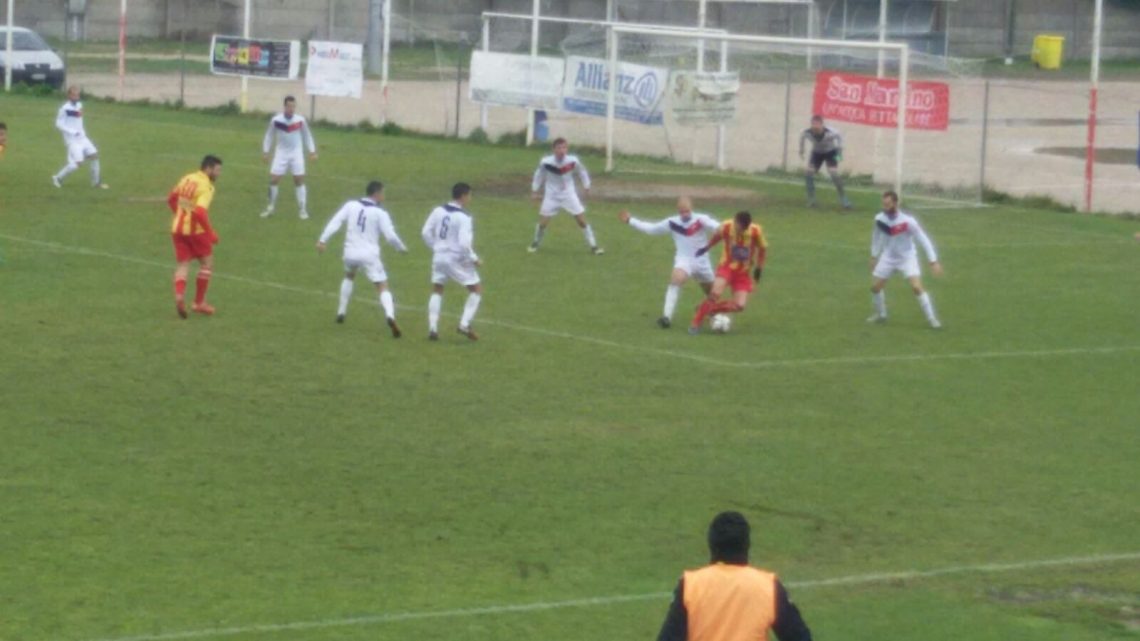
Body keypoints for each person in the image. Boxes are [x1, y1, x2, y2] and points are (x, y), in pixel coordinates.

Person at [656, 511, 813, 641]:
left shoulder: (691, 585)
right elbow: (800, 637)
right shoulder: (767, 586)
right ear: (747, 545)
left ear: (711, 544)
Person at [317, 180, 408, 337]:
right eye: (383, 193)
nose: (384, 196)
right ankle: (390, 315)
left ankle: (341, 311)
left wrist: (322, 240)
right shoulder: (380, 213)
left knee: (349, 276)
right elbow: (391, 236)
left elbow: (336, 221)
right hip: (369, 255)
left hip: (350, 253)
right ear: (377, 194)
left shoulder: (351, 205)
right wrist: (401, 248)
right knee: (382, 286)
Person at [618, 196, 720, 329]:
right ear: (678, 211)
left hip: (702, 262)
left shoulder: (701, 219)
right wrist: (631, 220)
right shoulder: (672, 222)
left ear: (692, 209)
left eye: (687, 211)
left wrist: (728, 229)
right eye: (682, 212)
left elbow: (716, 226)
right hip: (684, 260)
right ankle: (666, 317)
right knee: (675, 280)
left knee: (712, 293)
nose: (684, 215)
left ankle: (713, 313)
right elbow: (651, 229)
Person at [868, 190, 943, 328]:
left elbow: (923, 239)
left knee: (916, 287)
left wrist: (933, 261)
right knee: (875, 288)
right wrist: (874, 255)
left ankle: (932, 319)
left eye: (888, 204)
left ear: (896, 203)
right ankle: (881, 315)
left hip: (907, 257)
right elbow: (876, 237)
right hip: (888, 256)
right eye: (884, 204)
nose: (885, 207)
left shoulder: (908, 222)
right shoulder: (879, 219)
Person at [689, 211, 768, 334]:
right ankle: (695, 323)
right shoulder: (726, 226)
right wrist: (706, 248)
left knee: (739, 305)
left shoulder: (755, 231)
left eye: (743, 230)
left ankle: (709, 309)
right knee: (715, 293)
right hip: (727, 268)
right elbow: (717, 237)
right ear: (735, 221)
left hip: (743, 273)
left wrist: (759, 268)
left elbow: (762, 249)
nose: (740, 232)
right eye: (739, 228)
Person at [421, 183, 482, 341]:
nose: (470, 198)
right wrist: (474, 258)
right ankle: (464, 323)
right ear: (463, 196)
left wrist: (436, 247)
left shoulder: (438, 210)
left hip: (438, 256)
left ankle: (433, 328)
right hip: (454, 257)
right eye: (469, 195)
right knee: (475, 289)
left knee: (437, 289)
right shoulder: (464, 218)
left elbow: (425, 232)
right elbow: (463, 244)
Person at [166, 155, 223, 318]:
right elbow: (200, 212)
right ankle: (198, 303)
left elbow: (172, 199)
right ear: (209, 168)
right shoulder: (207, 187)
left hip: (177, 228)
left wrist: (181, 213)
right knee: (207, 264)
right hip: (196, 231)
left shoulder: (187, 178)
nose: (218, 174)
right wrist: (210, 232)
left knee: (183, 264)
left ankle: (179, 296)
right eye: (217, 170)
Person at [528, 137, 603, 255]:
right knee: (543, 223)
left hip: (569, 194)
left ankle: (594, 246)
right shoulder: (546, 162)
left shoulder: (573, 161)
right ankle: (535, 243)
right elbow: (539, 175)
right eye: (559, 148)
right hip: (551, 196)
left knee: (582, 221)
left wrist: (586, 185)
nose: (562, 150)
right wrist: (534, 190)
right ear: (554, 149)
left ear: (567, 149)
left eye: (564, 147)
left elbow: (582, 172)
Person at [260, 95, 317, 220]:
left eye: (293, 106)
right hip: (281, 154)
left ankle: (302, 209)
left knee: (299, 181)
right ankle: (270, 207)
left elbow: (307, 136)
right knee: (274, 180)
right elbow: (269, 136)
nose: (291, 109)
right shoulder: (276, 120)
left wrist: (312, 151)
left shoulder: (300, 120)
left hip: (296, 154)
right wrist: (266, 152)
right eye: (289, 106)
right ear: (284, 106)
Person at [52, 86, 108, 189]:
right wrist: (72, 131)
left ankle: (96, 183)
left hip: (83, 138)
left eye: (77, 95)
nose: (76, 97)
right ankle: (58, 178)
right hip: (72, 140)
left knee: (94, 156)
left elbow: (78, 120)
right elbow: (58, 124)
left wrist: (81, 132)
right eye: (74, 95)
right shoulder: (64, 109)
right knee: (77, 163)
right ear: (69, 95)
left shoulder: (79, 105)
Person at [799, 115, 849, 209]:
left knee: (833, 173)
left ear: (822, 125)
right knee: (808, 172)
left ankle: (844, 198)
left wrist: (839, 154)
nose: (815, 127)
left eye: (817, 124)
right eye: (813, 124)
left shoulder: (831, 132)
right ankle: (812, 200)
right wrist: (801, 151)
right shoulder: (807, 132)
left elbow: (839, 138)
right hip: (817, 153)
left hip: (830, 152)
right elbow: (802, 137)